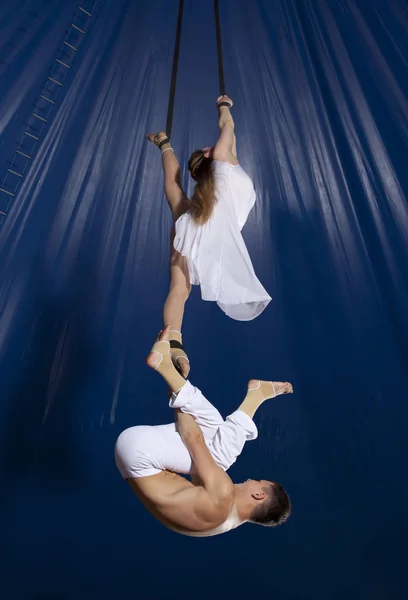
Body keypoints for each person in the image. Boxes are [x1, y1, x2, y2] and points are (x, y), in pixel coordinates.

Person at [114, 326, 293, 537]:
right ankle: (254, 395)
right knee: (216, 448)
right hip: (131, 460)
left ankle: (167, 369)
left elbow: (193, 438)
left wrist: (176, 386)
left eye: (256, 482)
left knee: (220, 456)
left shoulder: (223, 496)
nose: (249, 480)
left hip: (142, 454)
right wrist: (177, 388)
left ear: (258, 495)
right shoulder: (220, 523)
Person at [146, 95, 272, 379]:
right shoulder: (223, 160)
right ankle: (172, 345)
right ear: (209, 153)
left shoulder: (220, 167)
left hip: (191, 227)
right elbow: (228, 125)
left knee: (179, 289)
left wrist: (164, 144)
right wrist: (224, 105)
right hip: (212, 234)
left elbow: (173, 181)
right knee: (182, 289)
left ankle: (174, 340)